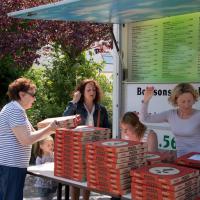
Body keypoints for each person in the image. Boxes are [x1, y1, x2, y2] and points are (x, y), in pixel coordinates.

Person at [0, 77, 61, 200]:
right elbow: (26, 140)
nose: (35, 98)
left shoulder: (17, 109)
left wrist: (48, 128)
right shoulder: (15, 110)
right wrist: (49, 128)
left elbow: (35, 136)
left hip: (12, 167)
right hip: (11, 167)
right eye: (33, 95)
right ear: (22, 94)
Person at [63, 79, 110, 200]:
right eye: (88, 89)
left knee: (90, 177)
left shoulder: (101, 109)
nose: (92, 92)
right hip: (77, 148)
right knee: (76, 177)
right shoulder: (76, 106)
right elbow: (64, 119)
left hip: (94, 148)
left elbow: (106, 129)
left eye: (94, 89)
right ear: (82, 92)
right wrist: (74, 101)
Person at [140, 83, 200, 158]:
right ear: (176, 101)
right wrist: (145, 101)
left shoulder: (198, 115)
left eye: (189, 101)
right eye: (183, 101)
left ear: (194, 100)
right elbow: (144, 118)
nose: (187, 105)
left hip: (197, 159)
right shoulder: (170, 114)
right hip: (181, 160)